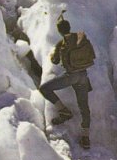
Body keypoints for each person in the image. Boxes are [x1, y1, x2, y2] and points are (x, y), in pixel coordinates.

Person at [39, 10, 93, 149]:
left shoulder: (61, 44)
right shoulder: (81, 38)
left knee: (44, 89)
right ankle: (85, 137)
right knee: (84, 108)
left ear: (59, 31)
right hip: (84, 77)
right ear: (69, 27)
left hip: (71, 77)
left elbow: (55, 61)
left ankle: (64, 111)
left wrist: (54, 53)